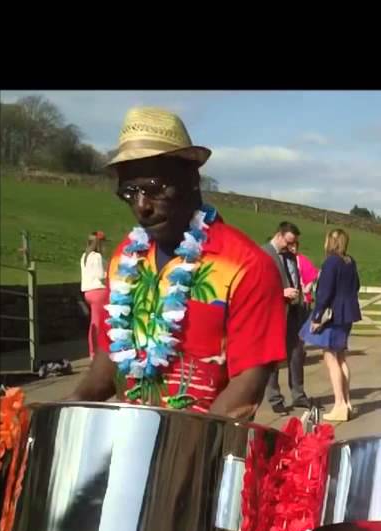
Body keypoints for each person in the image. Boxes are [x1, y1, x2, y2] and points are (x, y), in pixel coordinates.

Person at [65, 106, 286, 419]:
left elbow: (247, 386)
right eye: (129, 192)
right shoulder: (124, 258)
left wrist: (179, 453)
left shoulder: (246, 266)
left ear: (191, 180)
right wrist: (60, 410)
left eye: (154, 189)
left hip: (199, 454)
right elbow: (109, 356)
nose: (141, 206)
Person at [303, 229, 362, 423]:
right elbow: (357, 286)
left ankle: (339, 405)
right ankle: (347, 402)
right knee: (342, 357)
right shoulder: (350, 261)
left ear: (331, 241)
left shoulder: (331, 262)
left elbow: (324, 293)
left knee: (330, 358)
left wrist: (317, 316)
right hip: (348, 313)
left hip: (332, 315)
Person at [262, 222, 311, 414]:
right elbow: (260, 284)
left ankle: (298, 395)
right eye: (289, 242)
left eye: (294, 243)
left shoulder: (291, 256)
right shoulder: (264, 254)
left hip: (294, 311)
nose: (291, 247)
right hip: (274, 311)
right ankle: (275, 398)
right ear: (279, 235)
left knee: (297, 355)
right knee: (274, 357)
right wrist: (281, 292)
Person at [80, 231, 108, 359]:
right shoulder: (97, 257)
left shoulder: (84, 256)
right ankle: (99, 349)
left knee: (94, 321)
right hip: (99, 291)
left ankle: (93, 350)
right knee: (101, 322)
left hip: (88, 292)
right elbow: (101, 276)